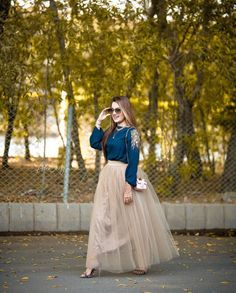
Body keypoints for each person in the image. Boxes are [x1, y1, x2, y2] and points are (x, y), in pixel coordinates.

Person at [80, 96, 180, 278]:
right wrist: (99, 121)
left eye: (118, 110)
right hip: (108, 177)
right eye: (113, 110)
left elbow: (133, 161)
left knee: (132, 222)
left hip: (125, 177)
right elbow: (95, 143)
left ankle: (142, 263)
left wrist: (128, 188)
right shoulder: (111, 131)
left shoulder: (131, 133)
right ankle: (92, 264)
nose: (115, 114)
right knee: (101, 219)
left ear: (126, 110)